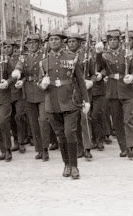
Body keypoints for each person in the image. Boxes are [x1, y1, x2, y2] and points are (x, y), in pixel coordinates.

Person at [39, 30, 90, 179]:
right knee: (60, 136)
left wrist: (86, 100)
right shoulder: (44, 62)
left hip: (70, 101)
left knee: (70, 133)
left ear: (63, 42)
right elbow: (39, 81)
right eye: (51, 39)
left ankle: (74, 166)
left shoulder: (72, 58)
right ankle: (66, 164)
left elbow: (80, 81)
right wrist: (42, 83)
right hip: (52, 103)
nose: (53, 42)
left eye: (56, 39)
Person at [95, 29, 133, 159]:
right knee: (118, 121)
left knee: (128, 119)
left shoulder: (127, 54)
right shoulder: (105, 55)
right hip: (113, 91)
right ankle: (123, 147)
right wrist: (98, 52)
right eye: (110, 40)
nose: (113, 42)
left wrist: (132, 77)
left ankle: (130, 146)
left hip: (127, 90)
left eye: (115, 40)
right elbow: (99, 64)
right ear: (108, 42)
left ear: (119, 41)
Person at [13, 34, 52, 160]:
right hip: (29, 92)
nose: (32, 45)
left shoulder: (45, 55)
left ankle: (45, 148)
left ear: (39, 44)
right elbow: (19, 68)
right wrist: (19, 76)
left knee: (43, 120)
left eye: (34, 43)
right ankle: (39, 149)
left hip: (42, 91)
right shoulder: (24, 57)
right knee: (33, 122)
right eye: (29, 43)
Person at [4, 39, 28, 154]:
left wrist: (22, 81)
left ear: (14, 48)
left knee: (19, 117)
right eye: (5, 47)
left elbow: (25, 75)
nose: (7, 49)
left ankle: (22, 142)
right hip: (7, 93)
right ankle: (16, 142)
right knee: (11, 118)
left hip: (18, 92)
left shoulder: (19, 60)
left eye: (9, 47)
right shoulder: (2, 60)